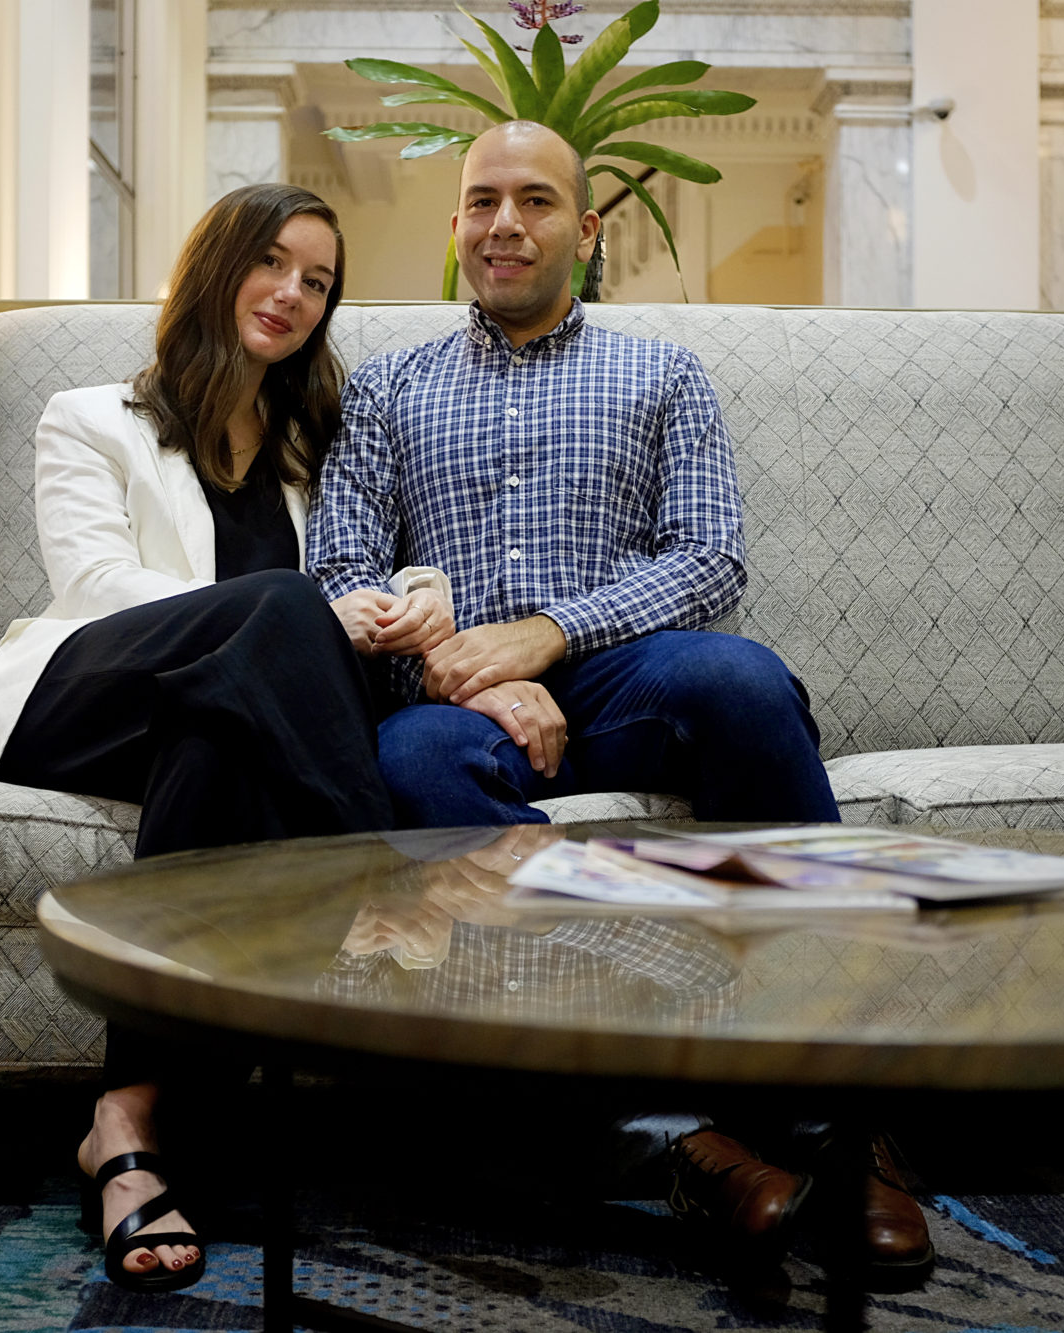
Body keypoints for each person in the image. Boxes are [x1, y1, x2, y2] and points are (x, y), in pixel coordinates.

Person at [307, 122, 932, 1281]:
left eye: (535, 200)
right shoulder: (386, 388)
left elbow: (707, 559)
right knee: (414, 771)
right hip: (450, 699)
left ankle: (835, 1118)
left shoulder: (660, 373)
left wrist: (542, 640)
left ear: (584, 231)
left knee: (737, 679)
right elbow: (340, 566)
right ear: (453, 229)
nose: (505, 222)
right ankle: (681, 1142)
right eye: (482, 201)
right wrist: (467, 666)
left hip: (614, 674)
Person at [0, 184, 452, 1293]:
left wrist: (415, 594)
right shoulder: (88, 416)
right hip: (83, 696)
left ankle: (127, 1125)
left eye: (316, 281)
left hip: (209, 721)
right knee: (272, 607)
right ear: (216, 266)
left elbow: (389, 556)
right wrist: (305, 612)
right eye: (271, 262)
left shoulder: (322, 443)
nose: (291, 294)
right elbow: (99, 588)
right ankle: (379, 877)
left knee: (217, 741)